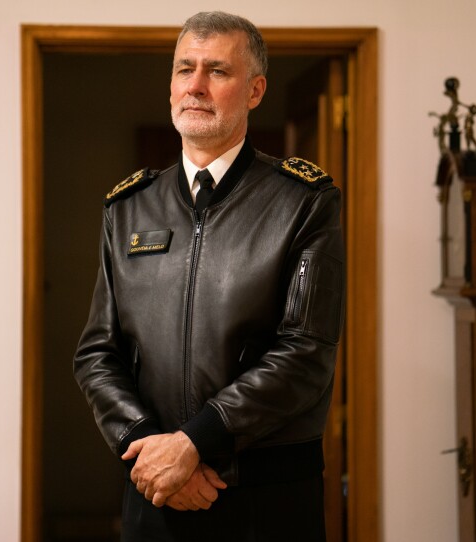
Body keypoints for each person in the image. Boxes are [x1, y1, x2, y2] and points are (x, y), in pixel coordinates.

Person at [73, 11, 344, 541]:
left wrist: (193, 443)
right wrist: (155, 448)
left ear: (255, 90)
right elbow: (96, 354)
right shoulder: (128, 208)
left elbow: (305, 354)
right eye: (184, 69)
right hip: (153, 491)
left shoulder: (304, 203)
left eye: (217, 71)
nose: (194, 86)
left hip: (267, 501)